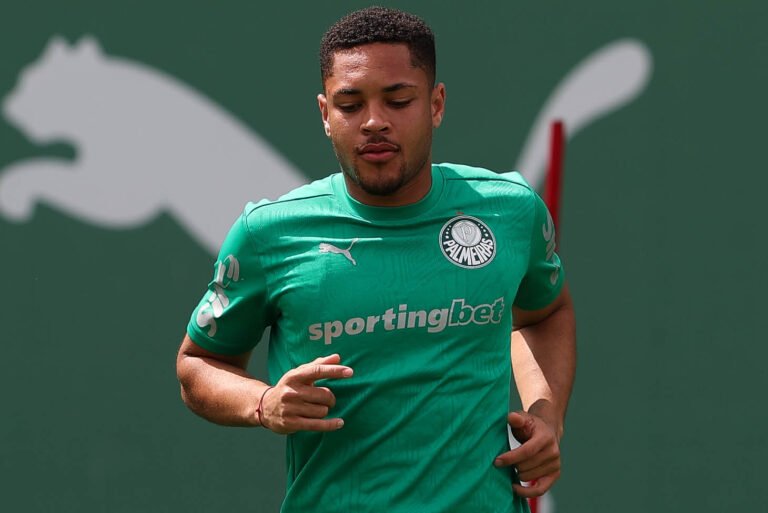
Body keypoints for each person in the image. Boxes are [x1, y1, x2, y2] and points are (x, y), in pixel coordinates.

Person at [176, 6, 576, 513]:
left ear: (436, 104)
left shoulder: (510, 210)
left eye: (398, 100)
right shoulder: (267, 233)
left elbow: (544, 313)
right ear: (325, 114)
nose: (373, 122)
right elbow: (198, 364)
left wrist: (546, 414)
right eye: (350, 104)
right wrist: (262, 403)